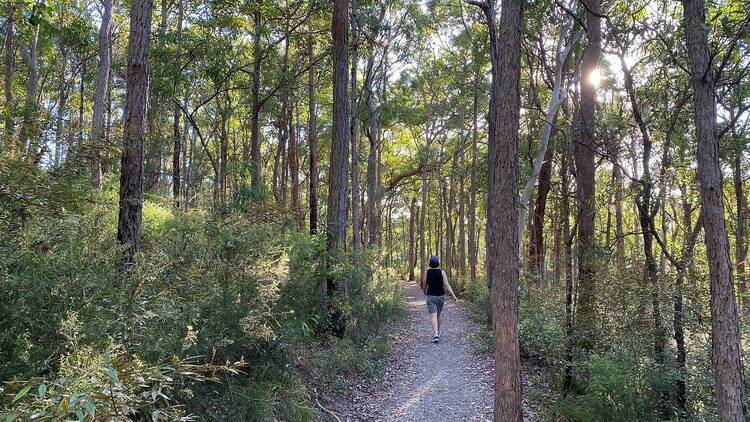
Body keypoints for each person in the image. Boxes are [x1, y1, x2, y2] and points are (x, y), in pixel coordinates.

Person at [420, 255, 459, 343]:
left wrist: (424, 291)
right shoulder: (442, 272)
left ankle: (436, 334)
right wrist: (454, 296)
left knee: (433, 315)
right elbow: (446, 284)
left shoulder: (427, 272)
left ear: (430, 263)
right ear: (438, 263)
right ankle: (438, 331)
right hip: (441, 296)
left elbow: (424, 283)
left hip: (431, 296)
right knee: (438, 314)